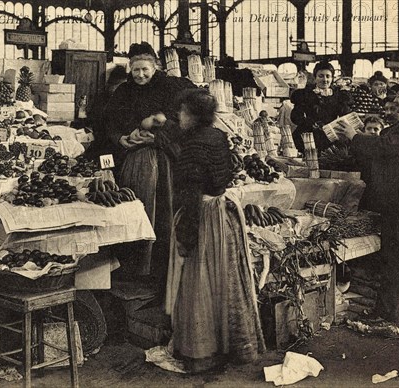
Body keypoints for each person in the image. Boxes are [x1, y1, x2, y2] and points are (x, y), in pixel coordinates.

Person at [157, 89, 265, 372]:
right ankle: (233, 348)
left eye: (181, 112)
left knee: (198, 285)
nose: (177, 116)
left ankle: (201, 355)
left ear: (193, 116)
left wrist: (186, 235)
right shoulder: (216, 136)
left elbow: (191, 194)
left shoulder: (194, 146)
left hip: (204, 217)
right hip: (224, 215)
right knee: (225, 284)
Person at [335, 75, 399, 323]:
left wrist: (354, 137)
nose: (396, 98)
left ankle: (385, 312)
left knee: (395, 256)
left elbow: (385, 146)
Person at [103, 42, 195, 285]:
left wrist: (159, 133)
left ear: (155, 67)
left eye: (145, 69)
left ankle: (161, 268)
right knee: (136, 206)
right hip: (133, 160)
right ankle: (136, 266)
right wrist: (121, 138)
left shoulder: (172, 88)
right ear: (129, 70)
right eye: (136, 70)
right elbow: (109, 123)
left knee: (164, 211)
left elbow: (184, 121)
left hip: (164, 159)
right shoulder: (123, 92)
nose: (140, 75)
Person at [291, 61, 352, 152]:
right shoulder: (305, 94)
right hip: (308, 136)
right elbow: (295, 117)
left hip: (331, 137)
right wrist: (309, 124)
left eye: (328, 76)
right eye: (321, 76)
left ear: (332, 78)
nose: (325, 80)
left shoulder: (339, 96)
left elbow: (345, 116)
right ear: (315, 78)